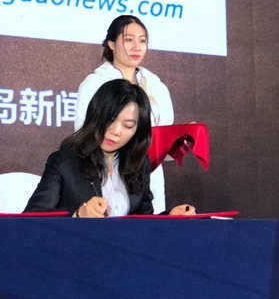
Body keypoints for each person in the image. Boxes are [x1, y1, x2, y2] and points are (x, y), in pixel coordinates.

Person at [25, 79, 195, 217]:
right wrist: (78, 214)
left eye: (128, 126)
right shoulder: (65, 161)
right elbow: (32, 216)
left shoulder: (139, 163)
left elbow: (143, 221)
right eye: (110, 120)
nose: (115, 131)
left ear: (137, 130)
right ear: (96, 116)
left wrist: (170, 217)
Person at [74, 15, 175, 213]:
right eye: (129, 40)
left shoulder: (155, 85)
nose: (137, 47)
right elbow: (83, 133)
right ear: (111, 43)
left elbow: (163, 133)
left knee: (150, 224)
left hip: (148, 173)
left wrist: (178, 140)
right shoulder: (94, 84)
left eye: (142, 41)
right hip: (108, 171)